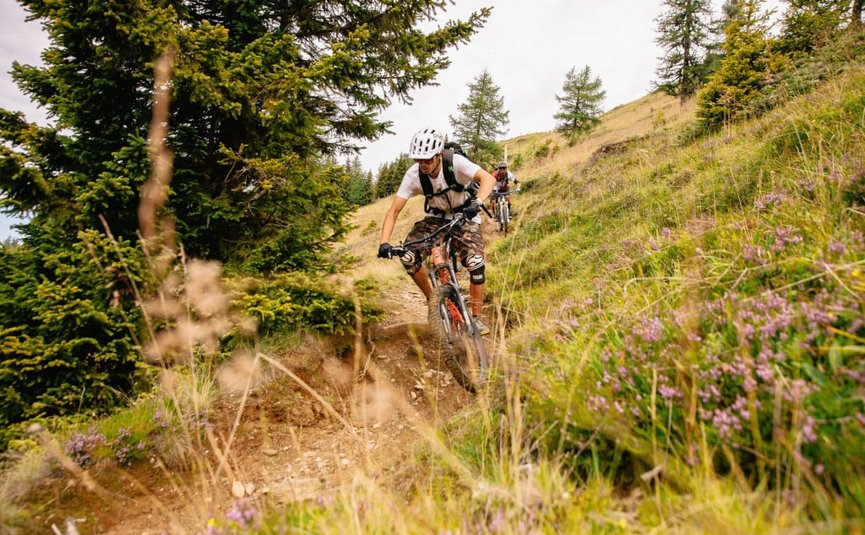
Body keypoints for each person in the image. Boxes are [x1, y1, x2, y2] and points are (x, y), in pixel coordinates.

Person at [377, 128, 496, 335]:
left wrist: (477, 202)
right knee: (407, 256)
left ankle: (476, 318)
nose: (422, 164)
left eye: (427, 160)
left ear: (438, 155)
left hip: (464, 214)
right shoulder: (414, 175)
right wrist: (384, 242)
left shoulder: (455, 162)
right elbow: (394, 211)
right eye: (418, 160)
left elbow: (488, 179)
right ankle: (434, 302)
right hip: (435, 218)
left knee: (476, 262)